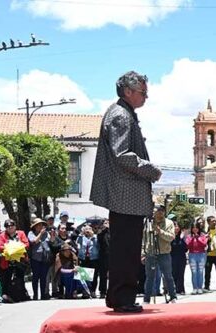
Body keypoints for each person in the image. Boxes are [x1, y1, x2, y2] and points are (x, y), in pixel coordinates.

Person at [90, 71, 162, 313]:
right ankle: (122, 298)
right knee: (126, 249)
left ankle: (119, 296)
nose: (146, 97)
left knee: (126, 248)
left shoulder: (122, 113)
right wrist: (150, 169)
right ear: (128, 91)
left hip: (125, 196)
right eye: (143, 92)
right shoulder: (121, 116)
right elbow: (122, 155)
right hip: (125, 196)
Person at [141, 205, 177, 304]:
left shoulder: (169, 223)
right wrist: (142, 253)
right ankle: (146, 299)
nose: (160, 213)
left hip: (164, 253)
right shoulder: (148, 223)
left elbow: (171, 237)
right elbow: (144, 239)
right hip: (150, 253)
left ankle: (173, 297)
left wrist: (160, 231)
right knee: (150, 277)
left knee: (168, 276)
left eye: (162, 211)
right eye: (158, 211)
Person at [0, 219, 30, 303]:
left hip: (20, 261)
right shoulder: (2, 235)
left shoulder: (21, 233)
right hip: (7, 262)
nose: (10, 227)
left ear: (15, 226)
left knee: (20, 278)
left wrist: (16, 247)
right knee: (6, 279)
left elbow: (26, 244)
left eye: (12, 225)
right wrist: (9, 248)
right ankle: (6, 296)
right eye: (8, 226)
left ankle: (21, 295)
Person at [27, 218, 52, 301]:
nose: (40, 226)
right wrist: (40, 234)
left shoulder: (46, 233)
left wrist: (53, 236)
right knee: (35, 277)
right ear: (34, 226)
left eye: (41, 225)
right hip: (35, 258)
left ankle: (43, 294)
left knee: (43, 277)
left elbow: (51, 242)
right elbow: (33, 241)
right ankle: (35, 295)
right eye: (38, 225)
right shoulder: (31, 233)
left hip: (45, 258)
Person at [185, 220, 208, 294]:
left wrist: (198, 238)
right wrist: (192, 239)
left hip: (201, 255)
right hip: (192, 255)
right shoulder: (189, 236)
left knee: (200, 271)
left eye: (196, 227)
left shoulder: (202, 235)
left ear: (199, 228)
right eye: (193, 228)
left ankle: (200, 287)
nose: (195, 229)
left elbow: (204, 244)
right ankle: (195, 288)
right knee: (194, 272)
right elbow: (188, 245)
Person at [76, 225, 99, 296]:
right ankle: (85, 291)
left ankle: (93, 291)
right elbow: (78, 242)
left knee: (94, 276)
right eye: (86, 229)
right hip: (83, 258)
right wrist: (81, 233)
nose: (88, 230)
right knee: (84, 275)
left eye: (89, 229)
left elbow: (98, 245)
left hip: (93, 258)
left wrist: (93, 236)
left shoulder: (95, 237)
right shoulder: (81, 237)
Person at [170, 221, 187, 295]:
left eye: (177, 226)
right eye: (174, 226)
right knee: (173, 273)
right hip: (172, 257)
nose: (176, 228)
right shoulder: (170, 236)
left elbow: (186, 249)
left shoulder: (182, 236)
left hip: (181, 257)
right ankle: (173, 289)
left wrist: (182, 239)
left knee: (181, 273)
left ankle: (181, 289)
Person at [96, 220, 110, 299]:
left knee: (113, 274)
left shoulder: (112, 231)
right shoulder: (101, 232)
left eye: (108, 223)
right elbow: (99, 238)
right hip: (103, 256)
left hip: (112, 255)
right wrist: (104, 229)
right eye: (105, 223)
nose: (107, 224)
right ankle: (102, 291)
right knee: (103, 274)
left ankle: (112, 290)